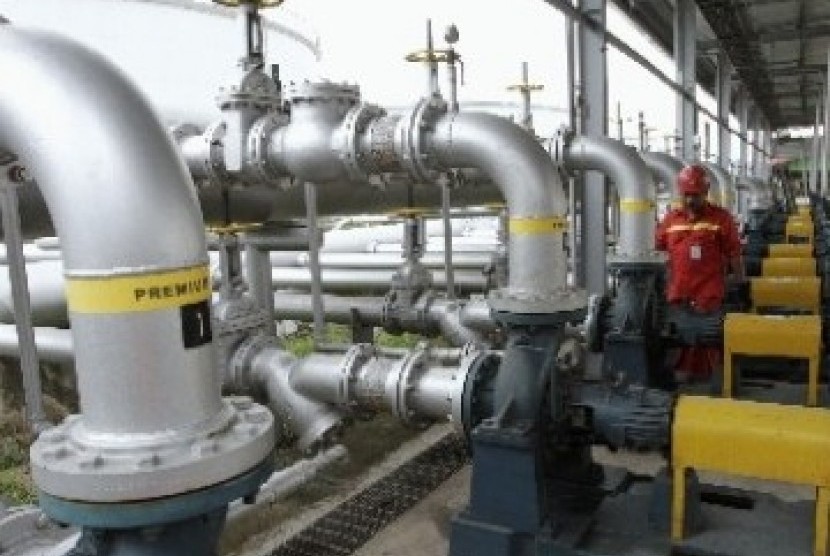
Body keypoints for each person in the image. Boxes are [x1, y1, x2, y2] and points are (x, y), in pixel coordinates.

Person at [655, 164, 744, 382]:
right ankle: (681, 385)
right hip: (677, 296)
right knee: (678, 344)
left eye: (695, 196)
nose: (690, 201)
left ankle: (709, 386)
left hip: (709, 296)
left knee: (708, 343)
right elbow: (656, 253)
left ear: (705, 193)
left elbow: (734, 253)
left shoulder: (721, 219)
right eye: (686, 195)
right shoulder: (670, 221)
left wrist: (740, 282)